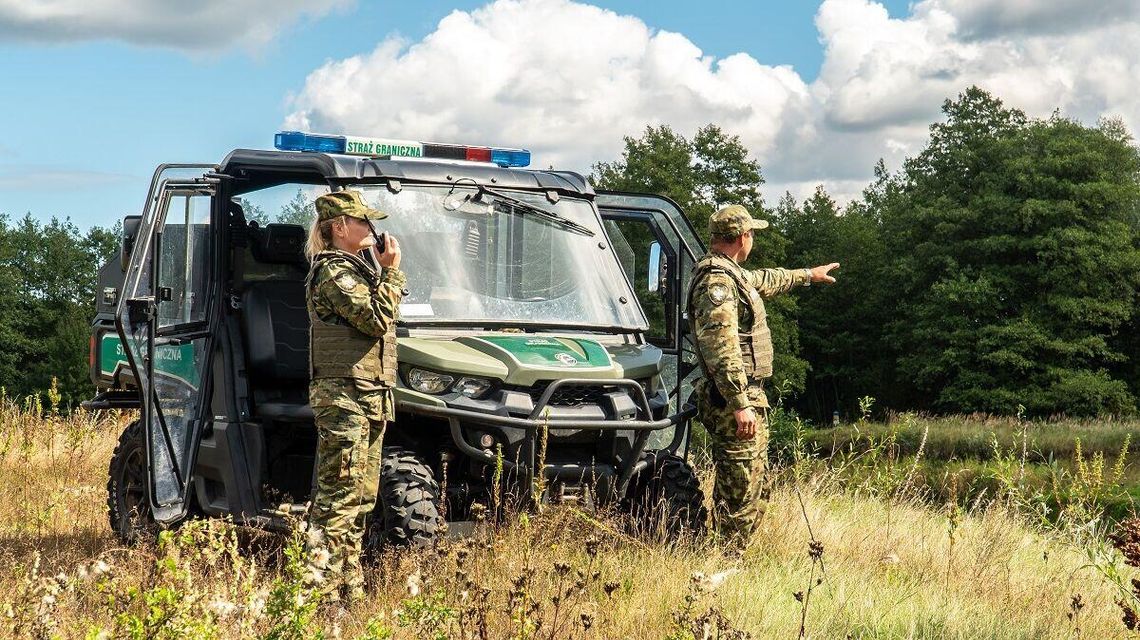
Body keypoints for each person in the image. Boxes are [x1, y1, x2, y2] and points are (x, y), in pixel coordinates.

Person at [687, 204, 838, 550]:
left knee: (754, 483)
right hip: (733, 400)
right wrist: (740, 403)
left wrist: (807, 274)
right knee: (739, 488)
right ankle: (724, 562)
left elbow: (767, 279)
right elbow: (720, 347)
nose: (752, 239)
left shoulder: (731, 274)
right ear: (742, 237)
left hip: (743, 397)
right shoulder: (717, 282)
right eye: (752, 234)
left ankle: (730, 559)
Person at [302, 189, 404, 604]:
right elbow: (376, 318)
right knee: (338, 501)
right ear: (339, 228)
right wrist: (392, 273)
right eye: (363, 222)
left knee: (361, 500)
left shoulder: (357, 270)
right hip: (343, 400)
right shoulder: (332, 273)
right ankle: (317, 597)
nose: (371, 229)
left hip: (368, 397)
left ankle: (348, 591)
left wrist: (380, 273)